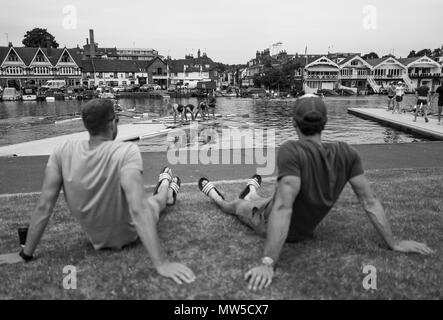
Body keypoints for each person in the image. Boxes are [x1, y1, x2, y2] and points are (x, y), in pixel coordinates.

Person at [199, 94, 433, 291]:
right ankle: (251, 190)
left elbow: (283, 208)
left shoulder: (291, 150)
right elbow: (370, 201)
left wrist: (268, 261)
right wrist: (393, 243)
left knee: (234, 207)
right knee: (267, 198)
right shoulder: (346, 153)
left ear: (293, 123)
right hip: (279, 204)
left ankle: (217, 196)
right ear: (326, 122)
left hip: (268, 220)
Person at [0, 99, 196, 285]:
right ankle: (166, 188)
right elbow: (138, 210)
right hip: (128, 233)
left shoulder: (61, 151)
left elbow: (45, 205)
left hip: (97, 237)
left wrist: (25, 254)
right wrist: (161, 263)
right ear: (112, 123)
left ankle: (167, 186)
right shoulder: (126, 152)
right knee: (155, 203)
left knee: (150, 202)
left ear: (87, 125)